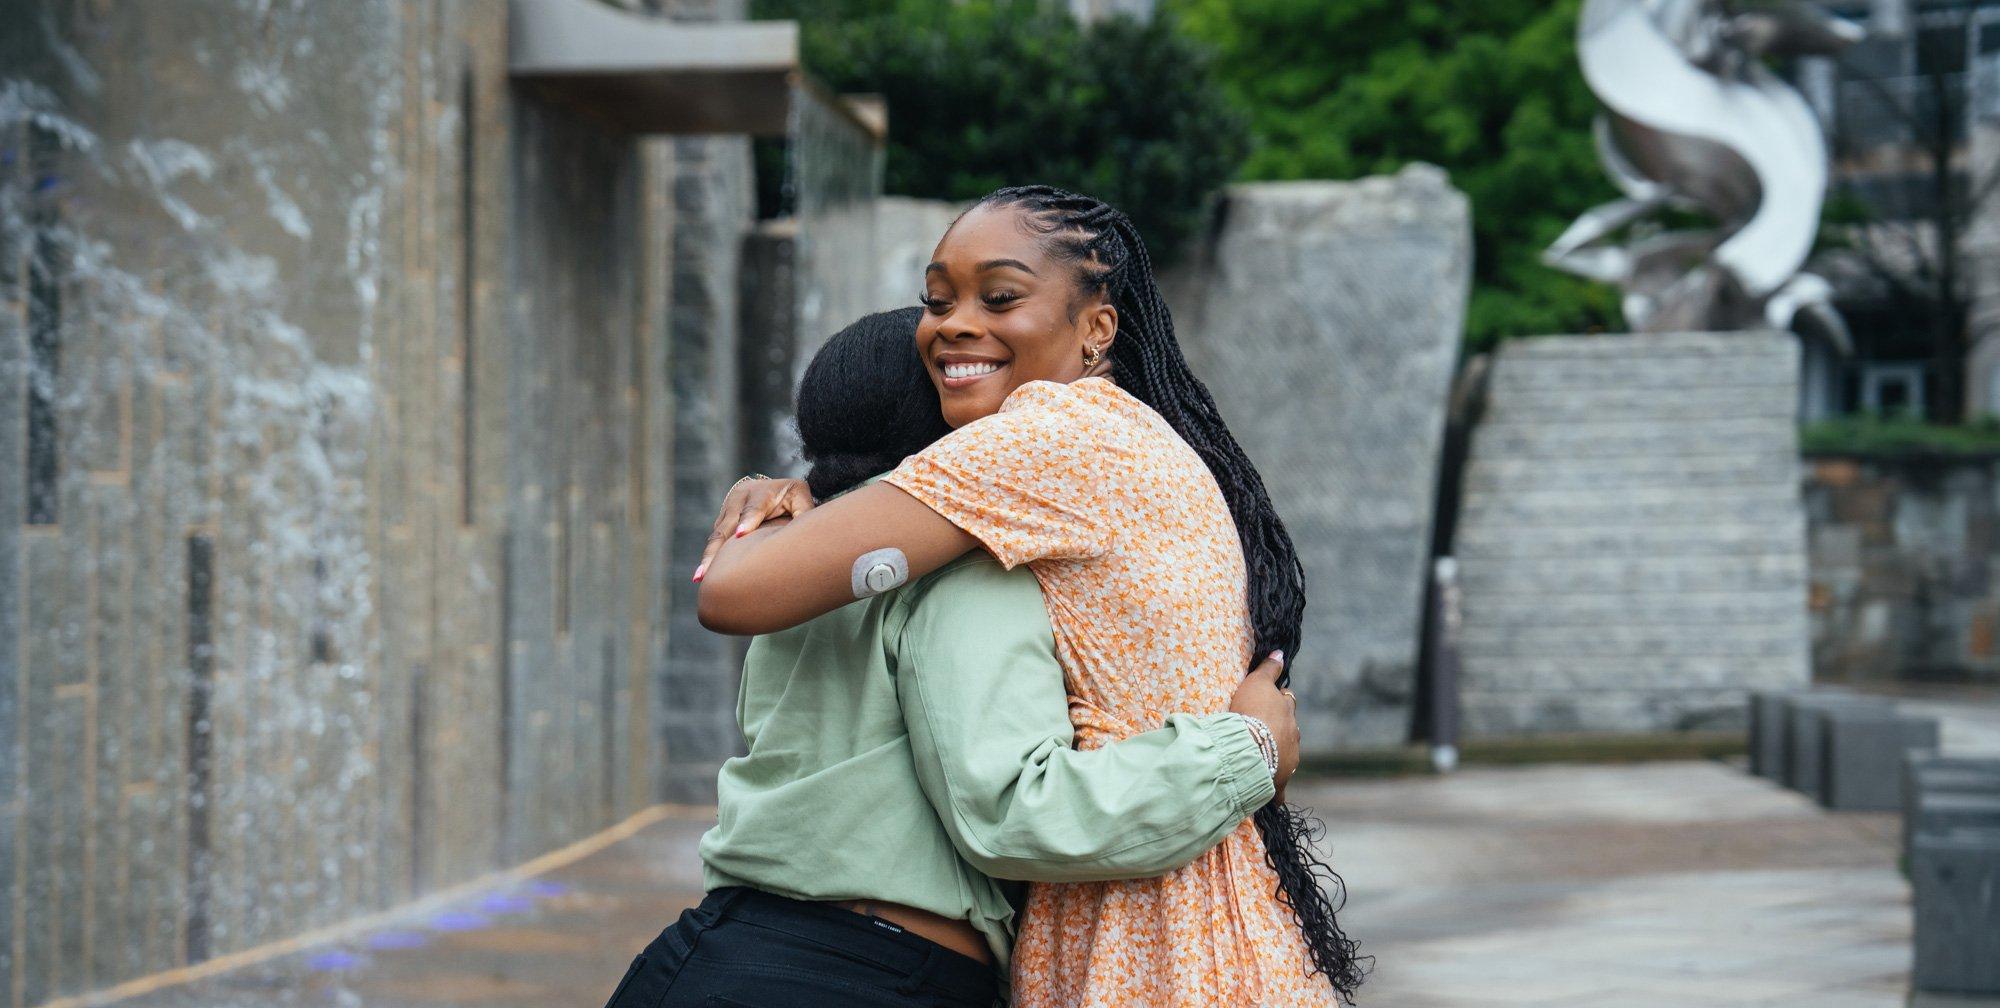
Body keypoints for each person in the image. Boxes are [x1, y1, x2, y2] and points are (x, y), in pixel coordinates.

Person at [696, 187, 1365, 1006]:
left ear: (1097, 328)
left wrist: (770, 506)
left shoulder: (1044, 436)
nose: (954, 323)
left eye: (1000, 297)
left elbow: (732, 594)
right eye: (937, 300)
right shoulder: (1127, 434)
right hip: (1203, 903)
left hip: (1145, 932)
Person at [603, 308, 1301, 1008]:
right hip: (867, 974)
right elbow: (1014, 812)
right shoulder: (968, 572)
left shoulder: (799, 563)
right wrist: (1246, 750)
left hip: (705, 958)